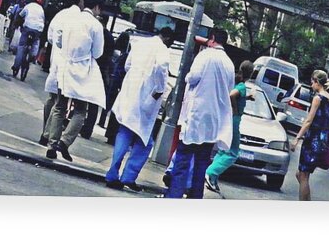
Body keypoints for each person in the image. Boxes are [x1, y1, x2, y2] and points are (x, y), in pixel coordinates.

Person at [165, 28, 234, 199]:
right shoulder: (229, 64)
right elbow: (229, 89)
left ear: (211, 39)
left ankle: (174, 195)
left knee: (183, 159)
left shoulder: (205, 56)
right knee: (202, 163)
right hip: (213, 122)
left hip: (196, 116)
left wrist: (188, 76)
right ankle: (196, 197)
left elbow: (192, 78)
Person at [105, 27, 174, 191]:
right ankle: (129, 176)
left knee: (124, 133)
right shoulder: (162, 50)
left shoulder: (140, 43)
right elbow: (162, 68)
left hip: (130, 93)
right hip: (146, 98)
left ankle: (113, 174)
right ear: (168, 38)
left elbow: (128, 65)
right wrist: (159, 89)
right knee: (145, 142)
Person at [45, 0, 106, 162]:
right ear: (97, 8)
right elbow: (98, 53)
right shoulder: (95, 25)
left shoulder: (70, 19)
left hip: (64, 66)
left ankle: (52, 144)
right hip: (82, 70)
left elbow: (58, 40)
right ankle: (65, 141)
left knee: (59, 106)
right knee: (80, 110)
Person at [38, 0, 86, 147]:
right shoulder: (79, 18)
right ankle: (48, 134)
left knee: (53, 99)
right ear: (80, 1)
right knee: (60, 103)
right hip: (69, 62)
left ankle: (45, 132)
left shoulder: (60, 14)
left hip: (56, 58)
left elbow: (51, 37)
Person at [204, 60, 255, 193]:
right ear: (251, 73)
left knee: (224, 150)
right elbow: (232, 95)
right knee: (233, 153)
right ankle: (210, 172)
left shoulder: (237, 83)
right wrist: (235, 109)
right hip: (235, 119)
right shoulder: (242, 86)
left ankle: (213, 177)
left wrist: (247, 98)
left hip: (228, 119)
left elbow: (236, 95)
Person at [290, 69, 329, 201]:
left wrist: (297, 138)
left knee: (303, 176)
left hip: (312, 141)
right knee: (301, 175)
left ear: (317, 82)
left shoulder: (318, 98)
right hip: (323, 142)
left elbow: (308, 121)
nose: (311, 85)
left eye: (312, 82)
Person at [80, 15, 116, 139]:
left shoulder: (96, 34)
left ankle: (81, 125)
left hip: (92, 69)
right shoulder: (110, 38)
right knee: (94, 103)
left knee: (82, 99)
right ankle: (87, 129)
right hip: (102, 72)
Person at [101, 31, 132, 142]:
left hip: (115, 82)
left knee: (111, 107)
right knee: (117, 111)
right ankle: (112, 135)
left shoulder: (120, 55)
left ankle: (107, 129)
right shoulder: (126, 55)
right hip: (120, 85)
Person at [11, 0, 45, 77]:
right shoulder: (41, 10)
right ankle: (33, 55)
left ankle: (16, 66)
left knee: (21, 46)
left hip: (27, 27)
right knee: (36, 42)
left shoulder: (28, 6)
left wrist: (16, 24)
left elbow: (20, 15)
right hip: (38, 30)